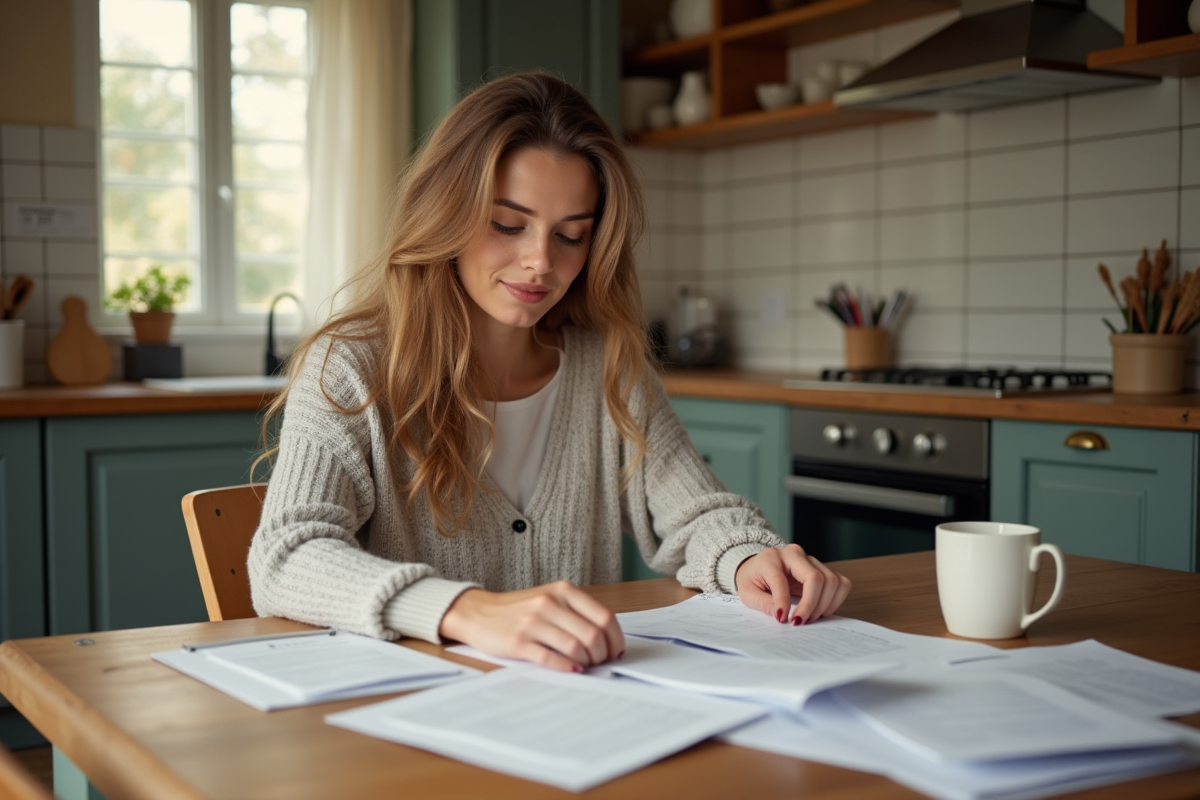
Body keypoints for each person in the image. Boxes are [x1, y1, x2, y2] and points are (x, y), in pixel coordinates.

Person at [248, 72, 851, 673]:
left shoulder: (607, 368)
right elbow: (285, 554)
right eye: (508, 224)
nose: (541, 261)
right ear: (446, 215)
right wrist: (468, 610)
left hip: (571, 713)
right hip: (405, 717)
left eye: (571, 235)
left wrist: (747, 557)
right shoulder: (352, 367)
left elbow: (697, 512)